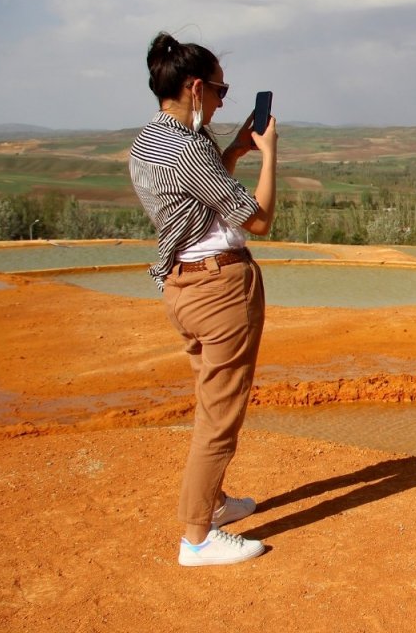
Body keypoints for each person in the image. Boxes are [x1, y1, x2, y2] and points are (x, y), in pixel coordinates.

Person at [128, 32, 278, 566]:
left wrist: (234, 149)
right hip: (219, 290)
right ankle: (197, 537)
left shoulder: (149, 142)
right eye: (219, 89)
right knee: (220, 415)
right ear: (194, 88)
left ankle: (212, 504)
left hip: (183, 287)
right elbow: (257, 219)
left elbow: (201, 201)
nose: (221, 100)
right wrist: (268, 154)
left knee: (209, 400)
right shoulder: (189, 147)